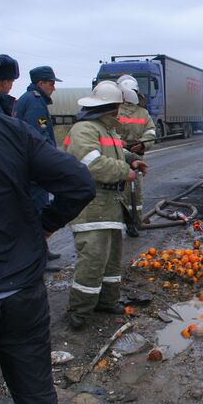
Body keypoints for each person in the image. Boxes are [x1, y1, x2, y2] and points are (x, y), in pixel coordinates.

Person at [0, 34, 95, 404]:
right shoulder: (9, 130)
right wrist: (45, 226)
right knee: (36, 396)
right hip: (19, 293)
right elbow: (79, 184)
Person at [63, 80, 147, 330]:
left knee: (111, 259)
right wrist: (125, 171)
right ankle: (80, 310)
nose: (120, 112)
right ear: (108, 107)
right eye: (117, 107)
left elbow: (117, 153)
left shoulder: (107, 130)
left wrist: (132, 160)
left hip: (110, 205)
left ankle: (106, 301)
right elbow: (92, 164)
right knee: (93, 259)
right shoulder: (84, 130)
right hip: (92, 206)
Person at [14, 65, 63, 260]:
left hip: (29, 163)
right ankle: (38, 256)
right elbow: (39, 136)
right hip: (35, 166)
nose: (54, 88)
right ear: (40, 83)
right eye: (51, 83)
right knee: (38, 209)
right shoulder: (35, 102)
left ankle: (41, 251)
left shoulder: (30, 99)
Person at [116, 75, 157, 237]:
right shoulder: (142, 112)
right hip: (127, 156)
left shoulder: (115, 109)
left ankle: (129, 223)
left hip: (120, 156)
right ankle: (132, 222)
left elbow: (151, 133)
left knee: (124, 192)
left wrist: (142, 143)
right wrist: (143, 143)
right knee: (133, 191)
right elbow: (151, 133)